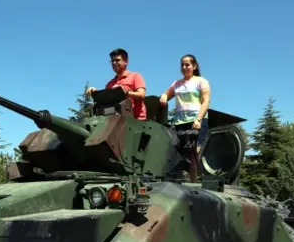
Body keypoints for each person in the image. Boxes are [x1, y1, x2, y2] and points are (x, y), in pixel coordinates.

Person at [158, 54, 211, 182]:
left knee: (198, 152)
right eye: (182, 64)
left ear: (194, 66)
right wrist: (164, 96)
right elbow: (166, 93)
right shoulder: (177, 83)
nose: (184, 67)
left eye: (187, 64)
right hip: (180, 122)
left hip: (197, 120)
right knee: (188, 155)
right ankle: (194, 183)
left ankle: (207, 182)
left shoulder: (201, 81)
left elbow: (206, 100)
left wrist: (198, 119)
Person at [86, 48, 147, 120]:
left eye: (117, 60)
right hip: (116, 122)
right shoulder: (109, 84)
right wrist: (95, 92)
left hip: (136, 122)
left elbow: (141, 95)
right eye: (112, 61)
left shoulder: (135, 76)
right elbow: (107, 103)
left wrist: (126, 93)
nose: (114, 63)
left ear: (126, 61)